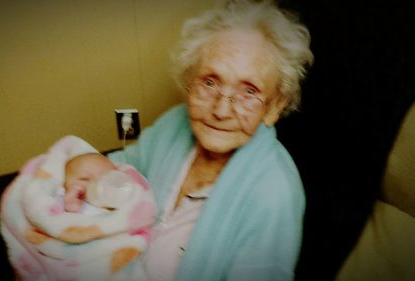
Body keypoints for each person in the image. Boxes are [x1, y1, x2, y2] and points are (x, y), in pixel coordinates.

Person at [108, 1, 314, 280]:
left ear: (275, 107)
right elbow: (122, 168)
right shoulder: (174, 124)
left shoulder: (275, 194)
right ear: (190, 80)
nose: (220, 110)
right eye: (210, 82)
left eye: (249, 91)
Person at [0, 136, 156, 281]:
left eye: (104, 175)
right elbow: (58, 222)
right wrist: (71, 202)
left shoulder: (114, 199)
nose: (95, 182)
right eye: (84, 179)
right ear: (65, 183)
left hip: (113, 251)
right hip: (78, 256)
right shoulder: (63, 198)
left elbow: (129, 216)